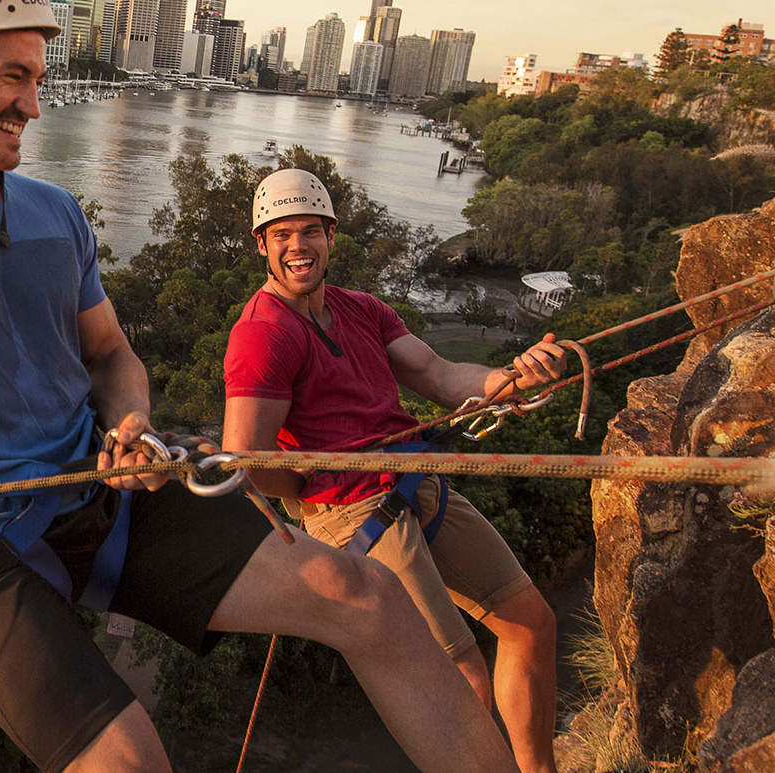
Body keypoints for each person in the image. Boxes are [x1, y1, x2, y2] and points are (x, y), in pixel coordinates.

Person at [0, 4, 516, 771]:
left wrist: (130, 424)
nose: (34, 105)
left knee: (370, 597)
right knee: (129, 763)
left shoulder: (54, 215)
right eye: (14, 77)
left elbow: (112, 354)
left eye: (39, 79)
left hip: (105, 491)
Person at [222, 168, 567, 773]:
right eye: (281, 235)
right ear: (262, 245)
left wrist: (511, 379)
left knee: (530, 623)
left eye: (310, 231)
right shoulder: (262, 335)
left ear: (332, 235)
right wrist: (312, 492)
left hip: (412, 479)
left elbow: (439, 376)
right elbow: (246, 460)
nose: (298, 246)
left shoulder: (363, 310)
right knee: (458, 674)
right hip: (351, 511)